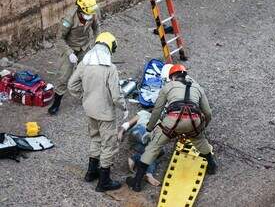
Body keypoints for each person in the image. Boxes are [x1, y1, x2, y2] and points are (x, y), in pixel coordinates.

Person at [126, 64, 217, 192]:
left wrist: (150, 128)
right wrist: (202, 127)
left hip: (172, 122)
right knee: (200, 140)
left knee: (153, 147)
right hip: (193, 121)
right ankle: (212, 166)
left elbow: (157, 110)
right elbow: (208, 113)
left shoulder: (168, 87)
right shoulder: (197, 88)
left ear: (173, 77)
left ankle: (136, 183)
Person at [68, 32, 128, 192]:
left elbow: (71, 85)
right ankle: (104, 182)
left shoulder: (84, 63)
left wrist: (84, 98)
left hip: (89, 110)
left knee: (95, 139)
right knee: (108, 145)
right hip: (105, 114)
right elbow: (116, 96)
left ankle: (91, 173)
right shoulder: (110, 68)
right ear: (109, 47)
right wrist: (124, 107)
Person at [48, 0, 101, 115]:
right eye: (87, 14)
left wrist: (98, 42)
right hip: (70, 48)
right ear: (80, 10)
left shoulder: (92, 13)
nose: (90, 16)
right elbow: (59, 39)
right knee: (64, 76)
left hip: (85, 47)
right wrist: (69, 53)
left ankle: (85, 96)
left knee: (87, 72)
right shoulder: (69, 19)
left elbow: (97, 27)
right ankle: (57, 102)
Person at [118, 110, 163, 186]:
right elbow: (128, 124)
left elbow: (127, 124)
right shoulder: (146, 114)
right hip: (142, 131)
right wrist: (121, 132)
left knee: (153, 154)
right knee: (153, 152)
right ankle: (146, 170)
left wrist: (121, 132)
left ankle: (136, 159)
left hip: (137, 139)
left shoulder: (156, 120)